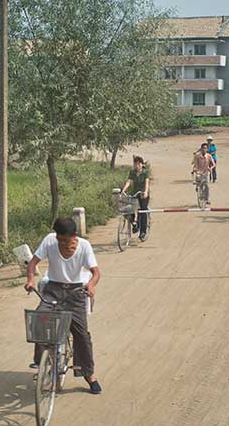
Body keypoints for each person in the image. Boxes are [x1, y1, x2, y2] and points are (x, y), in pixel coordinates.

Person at [24, 218, 102, 394]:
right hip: (53, 290)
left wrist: (90, 285)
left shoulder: (85, 246)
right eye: (60, 240)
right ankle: (41, 361)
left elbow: (96, 273)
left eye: (66, 240)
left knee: (81, 335)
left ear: (74, 236)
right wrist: (30, 280)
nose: (63, 243)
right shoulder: (50, 240)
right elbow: (33, 263)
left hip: (75, 293)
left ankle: (89, 375)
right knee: (39, 321)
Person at [121, 156, 150, 241]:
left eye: (139, 164)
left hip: (143, 194)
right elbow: (129, 182)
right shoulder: (132, 172)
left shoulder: (145, 172)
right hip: (135, 193)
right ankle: (135, 224)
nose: (137, 165)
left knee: (143, 210)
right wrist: (123, 190)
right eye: (135, 164)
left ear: (142, 164)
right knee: (130, 209)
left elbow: (147, 183)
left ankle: (143, 232)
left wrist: (145, 192)